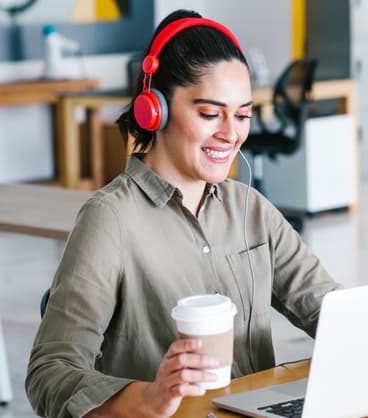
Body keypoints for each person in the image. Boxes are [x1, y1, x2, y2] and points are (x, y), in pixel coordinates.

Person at [26, 9, 340, 418]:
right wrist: (150, 397)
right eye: (210, 114)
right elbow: (49, 374)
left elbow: (332, 312)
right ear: (154, 109)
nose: (231, 134)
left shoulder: (250, 210)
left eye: (243, 115)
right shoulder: (111, 220)